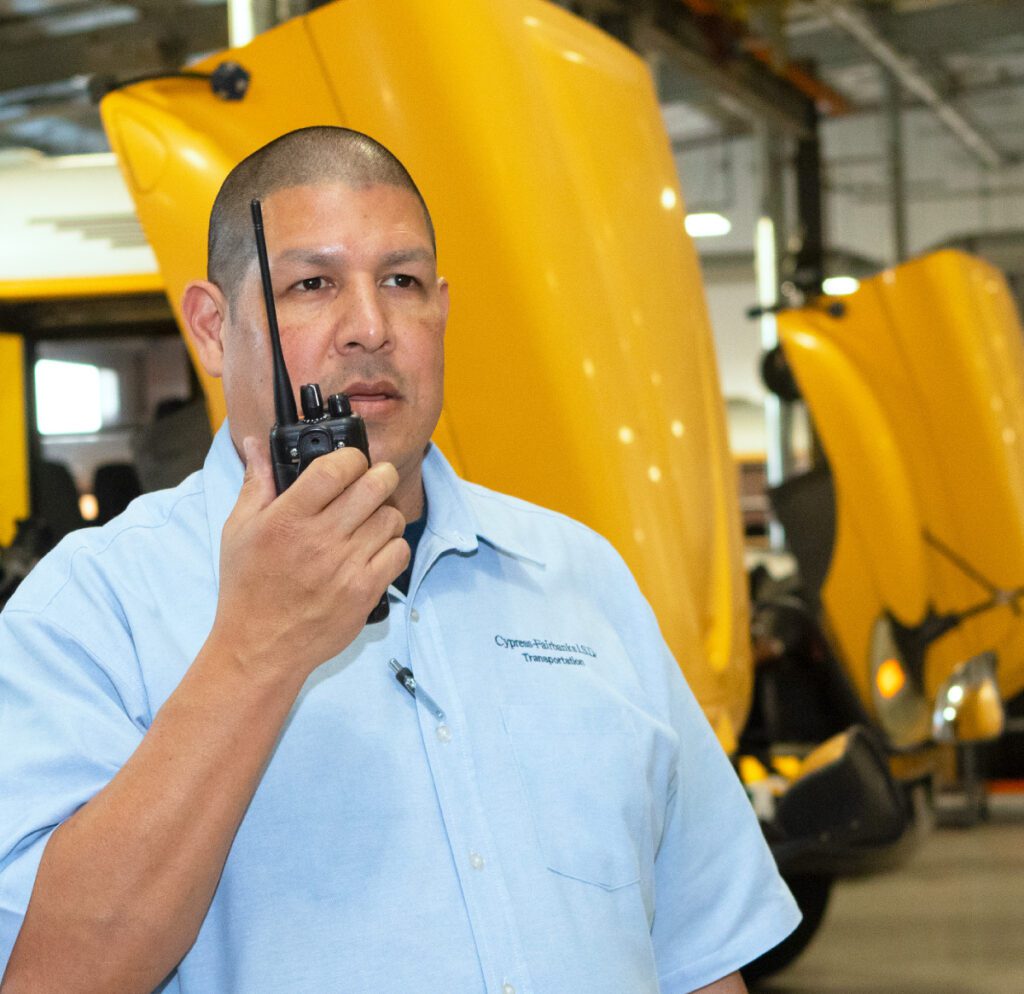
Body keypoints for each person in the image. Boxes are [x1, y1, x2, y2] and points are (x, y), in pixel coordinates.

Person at [0, 127, 798, 994]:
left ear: (441, 310)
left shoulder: (580, 577)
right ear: (211, 328)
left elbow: (698, 951)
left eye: (402, 282)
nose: (370, 328)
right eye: (312, 284)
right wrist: (256, 650)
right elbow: (54, 976)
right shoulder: (89, 608)